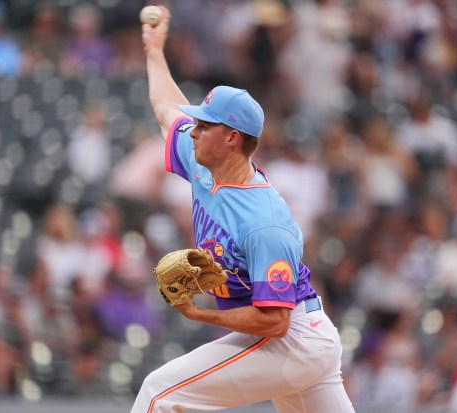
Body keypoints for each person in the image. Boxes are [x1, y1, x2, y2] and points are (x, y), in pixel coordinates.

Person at [131, 6, 354, 413]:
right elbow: (167, 111)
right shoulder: (203, 163)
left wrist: (198, 314)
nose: (193, 130)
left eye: (204, 125)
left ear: (232, 138)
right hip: (300, 339)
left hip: (292, 341)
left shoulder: (264, 221)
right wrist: (154, 49)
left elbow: (275, 321)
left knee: (159, 393)